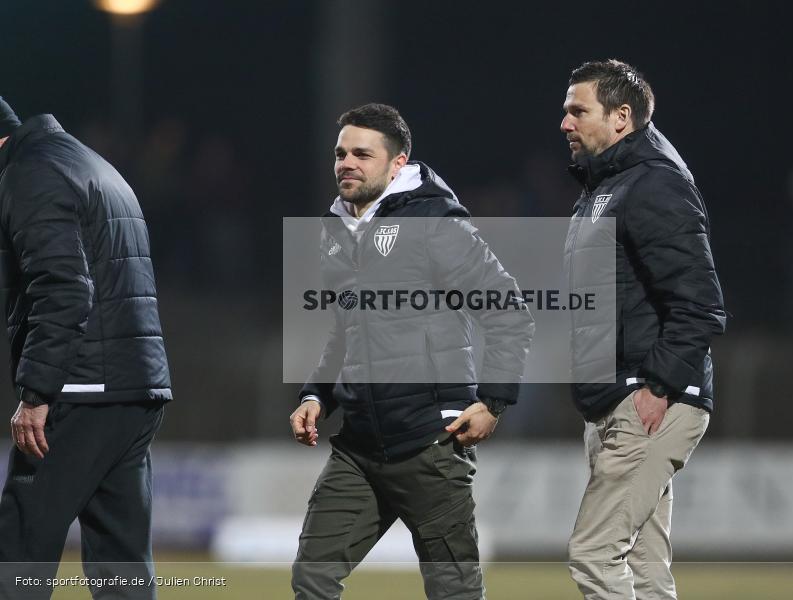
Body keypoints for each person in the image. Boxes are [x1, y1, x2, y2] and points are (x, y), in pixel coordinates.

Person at [289, 103, 534, 600]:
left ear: (397, 163)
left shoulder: (434, 223)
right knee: (312, 579)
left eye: (362, 153)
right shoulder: (335, 227)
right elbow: (346, 329)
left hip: (431, 443)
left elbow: (509, 312)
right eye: (340, 153)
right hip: (358, 448)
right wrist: (316, 395)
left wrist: (493, 402)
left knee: (454, 592)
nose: (346, 163)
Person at [560, 61, 726, 599]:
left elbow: (700, 304)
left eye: (577, 110)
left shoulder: (653, 183)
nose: (565, 122)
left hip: (647, 399)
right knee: (648, 569)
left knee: (594, 554)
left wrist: (656, 388)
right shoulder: (609, 186)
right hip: (617, 398)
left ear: (621, 118)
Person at [0, 97, 172, 600]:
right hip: (134, 385)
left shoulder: (31, 174)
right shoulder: (85, 161)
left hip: (82, 386)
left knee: (19, 546)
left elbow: (65, 289)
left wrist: (37, 392)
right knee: (121, 565)